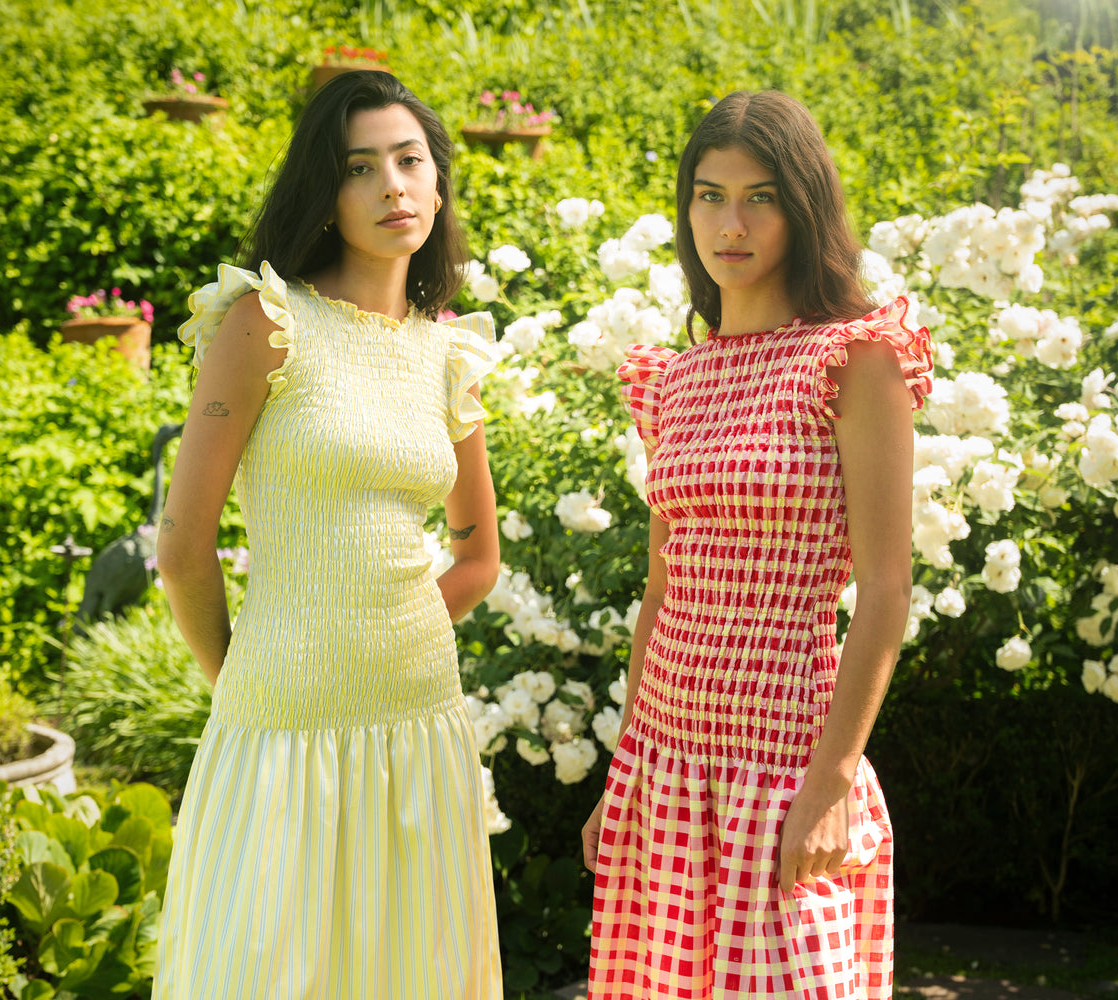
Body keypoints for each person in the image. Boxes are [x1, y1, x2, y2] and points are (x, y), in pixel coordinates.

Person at [153, 70, 503, 998]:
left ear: (438, 183)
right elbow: (181, 549)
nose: (392, 186)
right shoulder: (266, 321)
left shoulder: (449, 354)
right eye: (359, 168)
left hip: (421, 723)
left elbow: (478, 557)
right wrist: (242, 678)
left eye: (410, 161)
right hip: (281, 727)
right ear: (325, 190)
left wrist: (394, 633)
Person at [582, 90, 933, 999]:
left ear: (803, 206)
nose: (729, 224)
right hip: (666, 760)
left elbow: (886, 589)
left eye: (760, 197)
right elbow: (663, 589)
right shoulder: (675, 380)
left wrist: (833, 779)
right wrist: (624, 769)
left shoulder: (853, 358)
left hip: (786, 759)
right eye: (709, 196)